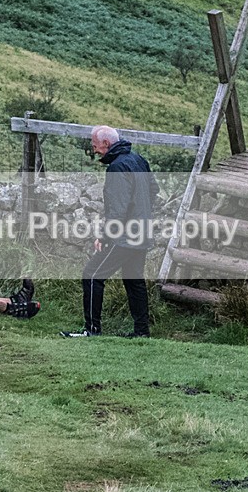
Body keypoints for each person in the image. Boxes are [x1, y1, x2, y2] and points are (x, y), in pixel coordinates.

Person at [61, 125, 159, 338]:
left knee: (92, 275)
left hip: (124, 236)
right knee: (134, 280)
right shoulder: (138, 160)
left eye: (95, 145)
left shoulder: (117, 167)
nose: (94, 149)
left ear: (106, 143)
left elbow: (118, 209)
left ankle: (92, 330)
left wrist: (105, 236)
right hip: (141, 232)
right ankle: (142, 332)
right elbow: (154, 190)